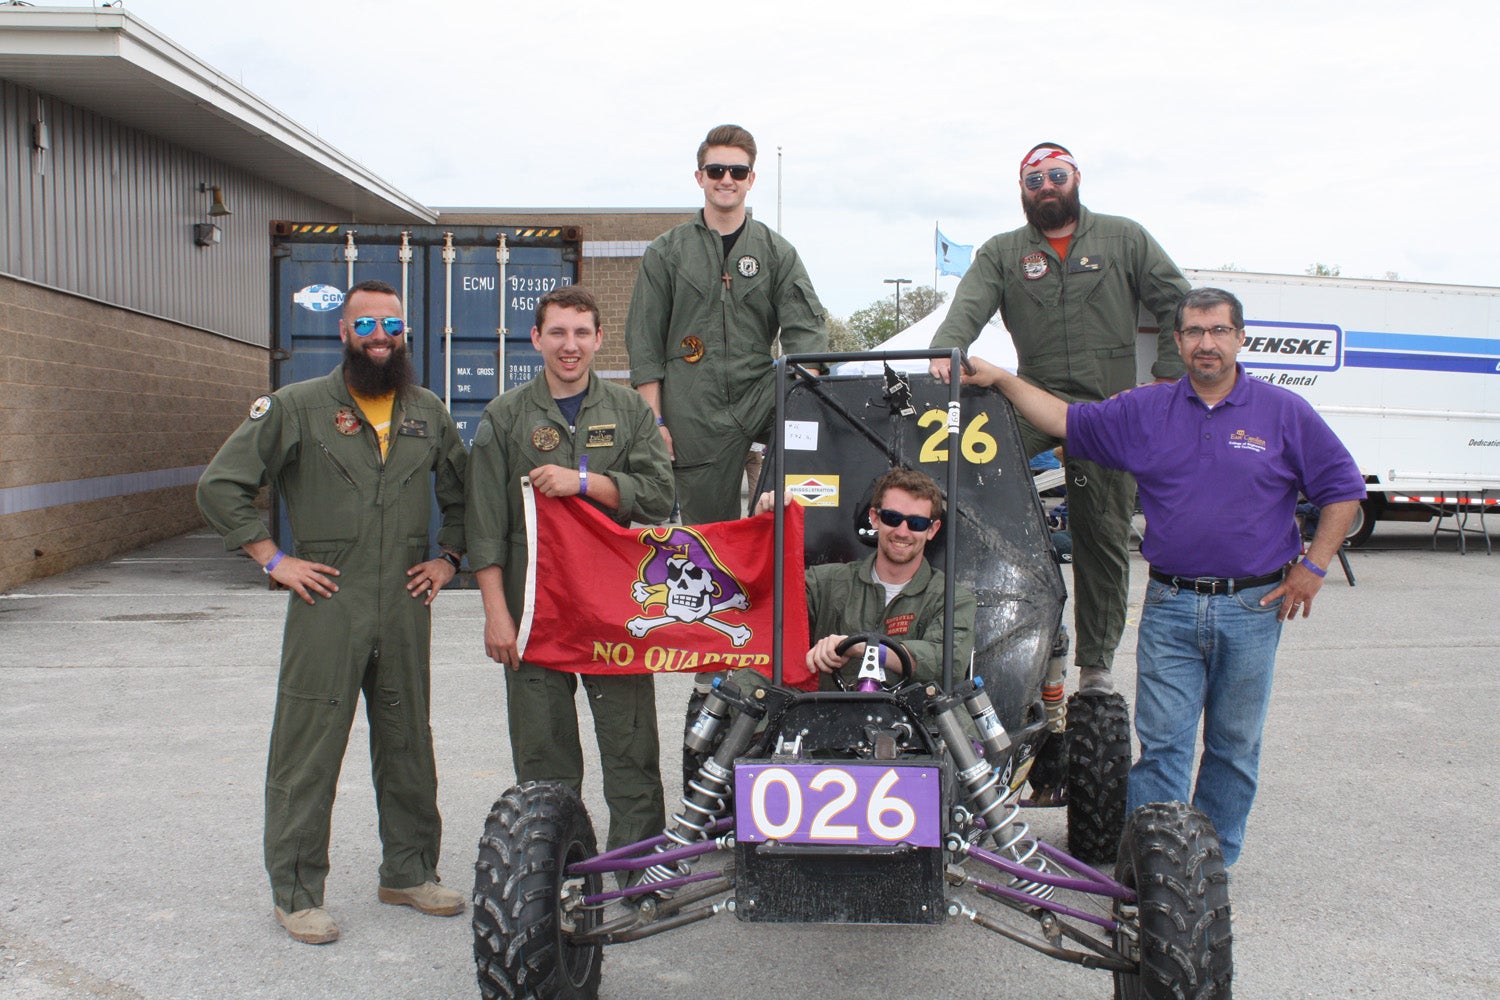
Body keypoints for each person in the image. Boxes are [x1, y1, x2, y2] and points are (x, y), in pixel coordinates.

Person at [962, 286, 1365, 865]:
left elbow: (1343, 490)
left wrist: (1314, 566)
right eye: (1195, 332)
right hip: (1172, 604)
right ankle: (1150, 866)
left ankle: (1213, 863)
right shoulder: (1146, 410)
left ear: (1240, 338)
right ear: (1177, 342)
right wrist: (1002, 377)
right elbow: (1064, 419)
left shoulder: (1283, 412)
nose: (1207, 343)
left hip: (1253, 608)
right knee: (1164, 746)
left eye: (1219, 331)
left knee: (1233, 746)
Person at [197, 278, 468, 945]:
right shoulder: (297, 406)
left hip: (405, 598)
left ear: (404, 335)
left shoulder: (426, 411)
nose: (381, 336)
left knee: (408, 740)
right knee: (308, 745)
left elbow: (464, 493)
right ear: (344, 334)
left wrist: (449, 560)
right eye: (367, 324)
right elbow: (220, 486)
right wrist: (272, 559)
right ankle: (296, 891)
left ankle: (408, 871)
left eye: (392, 325)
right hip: (328, 598)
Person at [929, 142, 1190, 696]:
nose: (1046, 186)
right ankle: (962, 640)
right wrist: (946, 351)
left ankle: (1095, 667)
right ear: (1022, 190)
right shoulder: (1002, 252)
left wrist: (1168, 375)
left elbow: (1178, 304)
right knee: (961, 495)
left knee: (1101, 536)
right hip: (1031, 399)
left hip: (1107, 411)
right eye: (1033, 180)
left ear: (1076, 178)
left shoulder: (1125, 237)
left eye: (1056, 175)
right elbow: (967, 307)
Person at [466, 285, 675, 855]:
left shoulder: (630, 410)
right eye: (557, 332)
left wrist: (585, 482)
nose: (569, 345)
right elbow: (483, 526)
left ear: (599, 340)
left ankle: (637, 874)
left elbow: (659, 498)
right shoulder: (506, 417)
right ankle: (552, 872)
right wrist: (496, 616)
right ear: (536, 338)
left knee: (631, 754)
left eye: (582, 333)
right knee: (544, 760)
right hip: (537, 616)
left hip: (613, 613)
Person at [624, 122, 829, 525]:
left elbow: (807, 339)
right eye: (716, 170)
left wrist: (799, 419)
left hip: (759, 394)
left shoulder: (776, 253)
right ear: (700, 177)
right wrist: (657, 422)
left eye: (737, 171)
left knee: (788, 518)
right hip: (693, 411)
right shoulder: (667, 253)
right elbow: (645, 344)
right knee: (708, 537)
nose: (726, 180)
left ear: (751, 179)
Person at [752, 468, 976, 689]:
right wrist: (762, 531)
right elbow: (763, 603)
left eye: (916, 523)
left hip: (915, 723)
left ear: (932, 529)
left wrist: (864, 647)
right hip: (828, 718)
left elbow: (949, 662)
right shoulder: (825, 583)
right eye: (892, 518)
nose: (902, 531)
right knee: (751, 675)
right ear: (875, 518)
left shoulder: (952, 598)